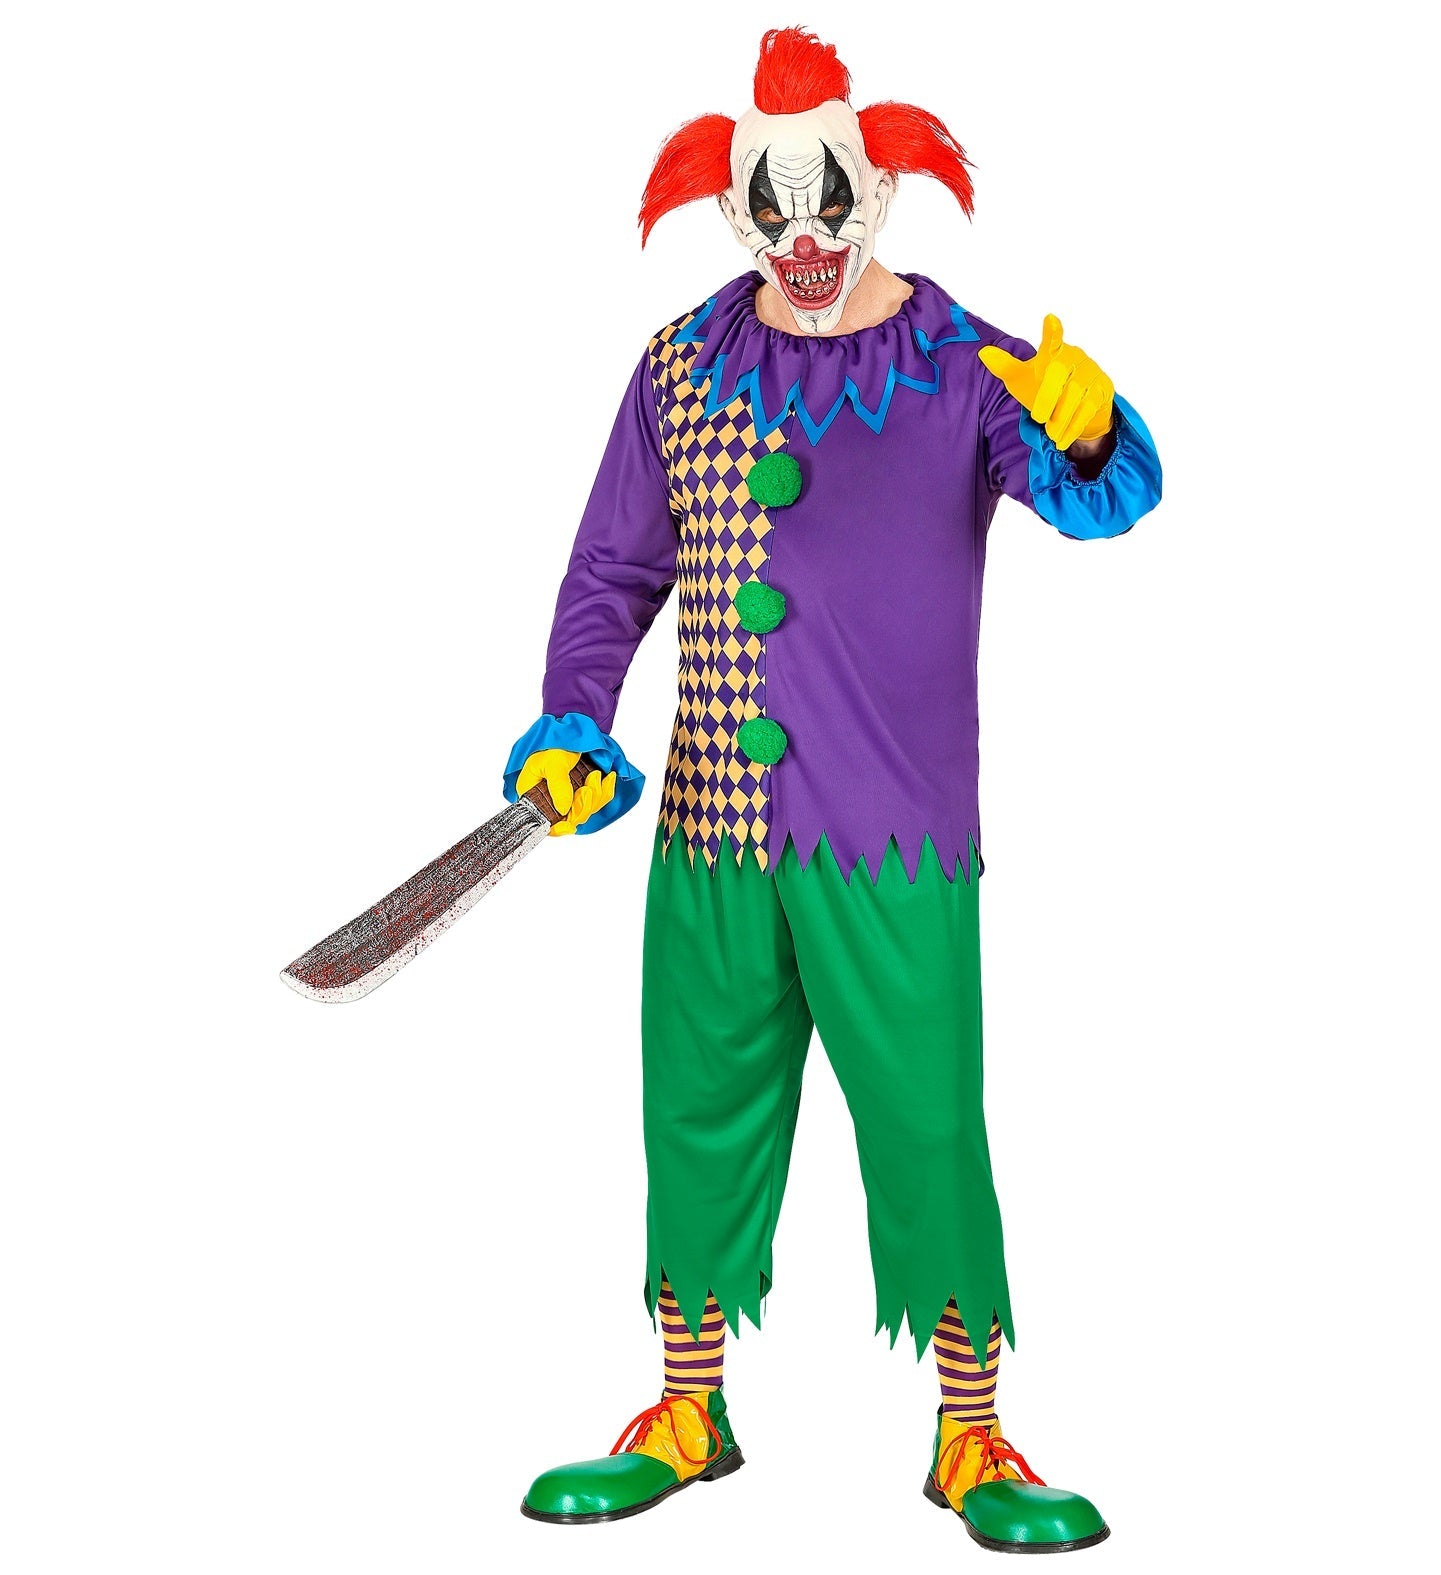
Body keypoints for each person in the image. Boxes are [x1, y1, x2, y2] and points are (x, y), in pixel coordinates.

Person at [505, 27, 1161, 1552]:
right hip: (713, 833)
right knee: (695, 1117)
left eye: (828, 203)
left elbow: (1099, 501)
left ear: (879, 188)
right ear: (729, 206)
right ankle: (686, 1408)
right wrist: (570, 717)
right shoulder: (679, 369)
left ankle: (972, 1433)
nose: (802, 238)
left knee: (926, 1126)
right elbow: (611, 572)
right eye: (769, 209)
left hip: (893, 840)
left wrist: (1083, 420)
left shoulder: (961, 364)